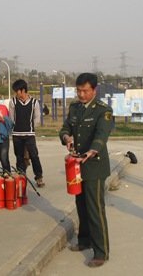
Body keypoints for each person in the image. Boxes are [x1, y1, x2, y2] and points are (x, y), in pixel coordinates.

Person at [59, 73, 113, 268]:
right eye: (79, 90)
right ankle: (84, 240)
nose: (81, 94)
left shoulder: (103, 110)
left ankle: (101, 252)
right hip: (77, 165)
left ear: (94, 90)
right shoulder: (75, 108)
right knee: (80, 204)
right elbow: (65, 128)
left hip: (94, 165)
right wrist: (67, 138)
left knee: (95, 209)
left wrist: (93, 149)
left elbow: (102, 133)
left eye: (85, 91)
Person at [9, 79, 44, 187]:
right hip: (17, 134)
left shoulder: (34, 102)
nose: (16, 94)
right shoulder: (13, 102)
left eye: (17, 91)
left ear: (23, 90)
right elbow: (11, 118)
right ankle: (21, 176)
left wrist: (31, 127)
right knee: (19, 156)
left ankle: (39, 177)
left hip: (29, 134)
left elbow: (37, 118)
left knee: (34, 156)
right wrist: (16, 126)